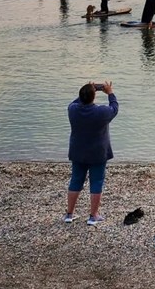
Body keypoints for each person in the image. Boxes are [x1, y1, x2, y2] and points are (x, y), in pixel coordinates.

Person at [64, 81, 119, 225]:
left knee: (75, 180)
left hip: (78, 151)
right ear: (93, 97)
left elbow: (75, 102)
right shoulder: (101, 112)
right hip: (97, 153)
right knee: (96, 182)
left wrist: (88, 90)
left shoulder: (73, 109)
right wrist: (110, 92)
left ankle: (69, 214)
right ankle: (93, 215)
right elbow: (114, 108)